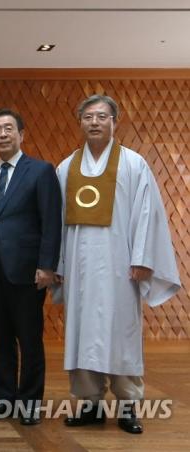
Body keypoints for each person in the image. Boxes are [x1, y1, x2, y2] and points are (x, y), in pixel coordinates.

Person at [55, 94, 181, 434]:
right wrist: (59, 264)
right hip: (80, 268)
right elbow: (57, 221)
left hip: (120, 267)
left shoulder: (133, 164)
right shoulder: (67, 168)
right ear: (79, 122)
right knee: (82, 333)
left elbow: (147, 213)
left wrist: (142, 258)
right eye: (88, 117)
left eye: (101, 116)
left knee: (122, 333)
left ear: (115, 122)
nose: (94, 122)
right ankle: (90, 403)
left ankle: (128, 406)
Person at [0, 109, 62, 425]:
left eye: (9, 128)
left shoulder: (40, 171)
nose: (3, 134)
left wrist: (47, 266)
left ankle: (30, 404)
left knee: (29, 339)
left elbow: (52, 221)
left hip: (27, 271)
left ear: (22, 134)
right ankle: (4, 400)